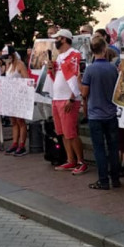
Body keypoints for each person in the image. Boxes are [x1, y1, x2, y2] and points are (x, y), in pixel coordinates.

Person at [81, 36, 120, 189]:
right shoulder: (112, 68)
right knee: (113, 147)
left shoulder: (90, 69)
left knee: (99, 149)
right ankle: (115, 179)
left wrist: (79, 82)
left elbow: (84, 93)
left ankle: (103, 180)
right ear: (105, 49)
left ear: (92, 51)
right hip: (111, 113)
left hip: (95, 115)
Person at [48, 29, 87, 175]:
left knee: (71, 132)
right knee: (63, 132)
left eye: (57, 38)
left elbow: (77, 77)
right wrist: (50, 70)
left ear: (64, 39)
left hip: (68, 99)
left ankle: (81, 161)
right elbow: (57, 77)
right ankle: (70, 159)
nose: (55, 41)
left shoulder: (75, 55)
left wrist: (72, 97)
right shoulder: (59, 57)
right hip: (57, 98)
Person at [3, 48, 30, 156]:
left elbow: (27, 79)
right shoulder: (9, 66)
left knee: (20, 121)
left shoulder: (20, 64)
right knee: (13, 121)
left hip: (19, 95)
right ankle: (15, 143)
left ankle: (22, 144)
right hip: (11, 95)